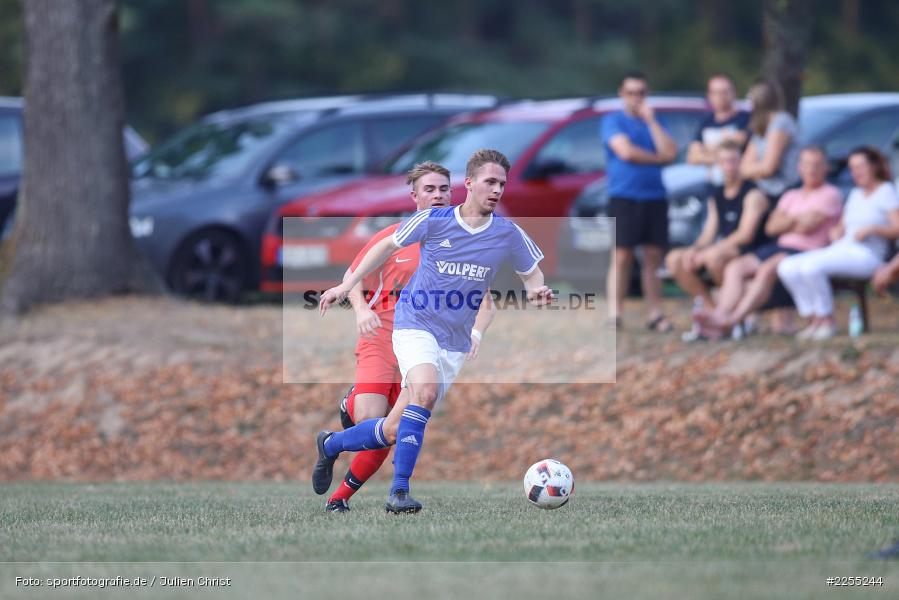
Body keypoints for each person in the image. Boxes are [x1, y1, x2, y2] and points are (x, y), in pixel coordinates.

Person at [313, 149, 554, 514]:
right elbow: (383, 246)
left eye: (502, 184)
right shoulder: (434, 222)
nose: (497, 190)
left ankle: (331, 445)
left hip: (452, 342)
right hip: (412, 326)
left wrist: (537, 289)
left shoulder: (507, 233)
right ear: (470, 184)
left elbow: (531, 274)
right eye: (490, 182)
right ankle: (399, 492)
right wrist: (348, 290)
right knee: (421, 392)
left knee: (394, 428)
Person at [323, 161, 496, 513]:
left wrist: (474, 331)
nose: (438, 196)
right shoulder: (396, 235)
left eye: (444, 189)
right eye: (429, 190)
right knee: (373, 422)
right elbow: (353, 273)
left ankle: (340, 491)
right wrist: (361, 309)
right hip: (381, 338)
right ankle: (351, 429)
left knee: (391, 430)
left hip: (425, 342)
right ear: (414, 196)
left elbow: (486, 302)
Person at [696, 146, 843, 339]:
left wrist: (786, 220)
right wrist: (795, 221)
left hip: (806, 251)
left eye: (816, 165)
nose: (811, 169)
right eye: (806, 164)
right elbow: (771, 227)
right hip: (779, 246)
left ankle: (731, 322)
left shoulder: (830, 193)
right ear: (799, 167)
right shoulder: (791, 195)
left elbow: (808, 225)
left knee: (766, 270)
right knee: (735, 267)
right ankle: (720, 313)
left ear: (825, 168)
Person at [777, 147, 899, 340]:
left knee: (811, 267)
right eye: (852, 167)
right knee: (787, 266)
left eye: (860, 166)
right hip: (844, 248)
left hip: (867, 254)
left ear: (874, 166)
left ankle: (827, 320)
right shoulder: (855, 194)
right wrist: (836, 231)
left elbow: (897, 227)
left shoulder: (886, 191)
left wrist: (873, 229)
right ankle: (812, 318)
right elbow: (842, 225)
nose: (856, 172)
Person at [602, 71, 678, 332]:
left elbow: (671, 150)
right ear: (622, 94)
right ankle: (615, 314)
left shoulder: (656, 121)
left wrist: (652, 122)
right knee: (622, 256)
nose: (636, 98)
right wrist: (659, 159)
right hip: (625, 196)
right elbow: (626, 151)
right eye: (631, 92)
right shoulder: (613, 121)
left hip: (655, 196)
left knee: (653, 257)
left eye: (641, 93)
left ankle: (655, 313)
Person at [666, 140, 770, 312]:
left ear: (740, 161)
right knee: (675, 259)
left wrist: (710, 251)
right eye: (724, 161)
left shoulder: (753, 194)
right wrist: (695, 249)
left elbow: (745, 235)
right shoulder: (717, 194)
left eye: (733, 161)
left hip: (749, 250)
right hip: (724, 247)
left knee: (714, 257)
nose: (729, 166)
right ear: (717, 164)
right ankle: (711, 309)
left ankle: (730, 309)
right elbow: (709, 232)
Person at [739, 79, 800, 202]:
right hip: (764, 189)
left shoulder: (781, 122)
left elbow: (769, 167)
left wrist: (751, 169)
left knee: (752, 201)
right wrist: (754, 169)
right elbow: (743, 167)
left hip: (782, 191)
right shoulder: (761, 127)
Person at [687, 74, 751, 182]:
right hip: (712, 182)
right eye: (715, 93)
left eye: (725, 92)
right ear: (709, 96)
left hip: (739, 182)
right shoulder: (705, 122)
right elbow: (693, 157)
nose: (720, 97)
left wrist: (707, 149)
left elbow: (740, 140)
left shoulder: (745, 118)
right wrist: (722, 156)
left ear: (734, 93)